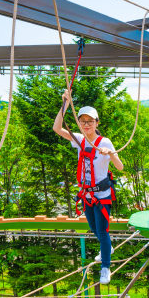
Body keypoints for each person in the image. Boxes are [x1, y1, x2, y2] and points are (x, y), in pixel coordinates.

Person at [53, 91, 122, 285]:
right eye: (82, 121)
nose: (86, 124)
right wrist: (65, 104)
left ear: (97, 123)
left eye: (90, 121)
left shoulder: (105, 142)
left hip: (102, 196)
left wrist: (112, 154)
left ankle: (106, 267)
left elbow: (120, 167)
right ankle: (106, 248)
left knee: (102, 232)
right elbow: (57, 128)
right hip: (87, 195)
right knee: (93, 228)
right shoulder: (79, 140)